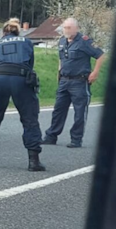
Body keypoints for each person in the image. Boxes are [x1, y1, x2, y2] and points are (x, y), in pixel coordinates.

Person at [0, 18, 46, 171]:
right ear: (18, 31)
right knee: (29, 119)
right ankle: (33, 161)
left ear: (3, 31)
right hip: (21, 78)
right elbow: (30, 64)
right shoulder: (26, 42)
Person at [42, 18, 106, 148]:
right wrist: (59, 74)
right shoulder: (62, 41)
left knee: (79, 112)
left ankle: (76, 139)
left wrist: (95, 73)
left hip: (79, 81)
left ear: (77, 28)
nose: (67, 30)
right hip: (64, 80)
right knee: (58, 110)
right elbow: (62, 59)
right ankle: (51, 136)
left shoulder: (85, 41)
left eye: (69, 28)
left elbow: (101, 55)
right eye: (65, 27)